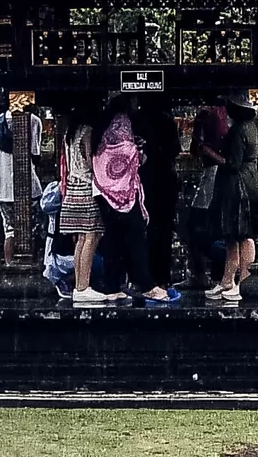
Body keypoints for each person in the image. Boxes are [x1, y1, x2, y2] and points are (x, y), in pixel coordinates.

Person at [86, 102, 156, 304]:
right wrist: (137, 149)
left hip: (102, 190)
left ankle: (112, 284)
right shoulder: (120, 124)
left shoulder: (100, 131)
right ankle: (146, 284)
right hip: (122, 191)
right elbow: (125, 152)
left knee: (113, 240)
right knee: (135, 236)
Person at [181, 97, 232, 302]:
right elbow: (195, 149)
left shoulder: (225, 119)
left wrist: (208, 150)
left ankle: (220, 276)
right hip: (209, 176)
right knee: (195, 227)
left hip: (219, 177)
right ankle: (200, 273)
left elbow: (229, 161)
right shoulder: (209, 116)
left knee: (214, 230)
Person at [216, 90, 258, 306]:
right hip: (250, 181)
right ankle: (228, 279)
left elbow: (232, 163)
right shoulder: (253, 129)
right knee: (239, 233)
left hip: (238, 185)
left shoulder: (238, 131)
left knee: (240, 233)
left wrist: (211, 153)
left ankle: (243, 279)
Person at [0, 92, 45, 262]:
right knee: (34, 229)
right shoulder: (33, 120)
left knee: (10, 231)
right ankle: (32, 264)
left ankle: (9, 266)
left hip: (3, 188)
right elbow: (35, 153)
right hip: (28, 186)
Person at [136, 91, 181, 296]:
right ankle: (162, 278)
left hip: (143, 180)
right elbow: (175, 149)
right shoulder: (167, 120)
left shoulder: (138, 118)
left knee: (143, 231)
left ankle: (143, 278)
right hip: (165, 180)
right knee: (163, 231)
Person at [58, 109, 99, 305]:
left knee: (81, 238)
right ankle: (84, 285)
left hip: (72, 186)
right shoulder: (87, 131)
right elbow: (91, 161)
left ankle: (79, 286)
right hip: (85, 185)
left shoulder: (69, 133)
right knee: (91, 235)